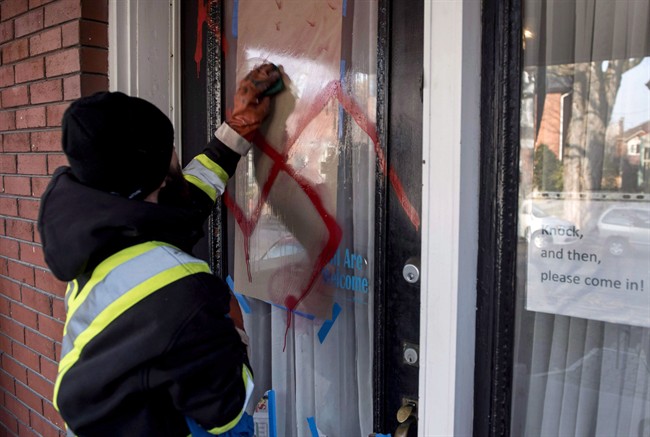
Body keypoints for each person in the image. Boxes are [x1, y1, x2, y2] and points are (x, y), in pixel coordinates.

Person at [37, 64, 282, 436]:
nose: (177, 156)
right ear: (152, 176)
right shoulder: (186, 293)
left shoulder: (93, 228)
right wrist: (234, 329)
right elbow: (228, 410)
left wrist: (237, 129)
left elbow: (181, 205)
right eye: (169, 152)